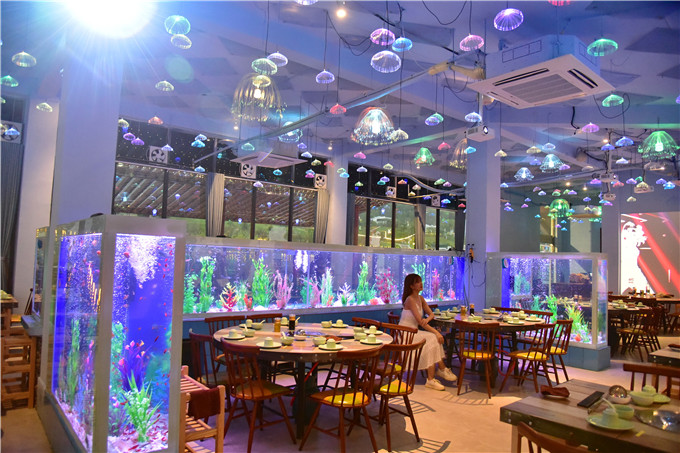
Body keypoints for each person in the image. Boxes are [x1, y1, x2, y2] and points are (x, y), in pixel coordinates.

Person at [399, 273, 457, 391]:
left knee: (432, 340)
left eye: (421, 281)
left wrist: (427, 319)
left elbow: (431, 314)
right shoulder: (410, 300)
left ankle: (433, 377)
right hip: (406, 333)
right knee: (433, 338)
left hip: (414, 331)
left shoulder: (420, 298)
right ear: (411, 286)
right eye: (417, 282)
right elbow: (420, 322)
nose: (421, 284)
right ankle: (440, 370)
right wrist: (436, 332)